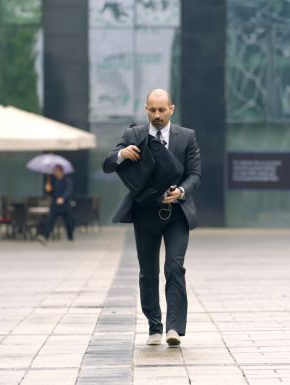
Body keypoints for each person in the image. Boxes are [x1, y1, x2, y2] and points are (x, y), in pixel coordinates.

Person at [102, 89, 201, 347]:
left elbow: (195, 175)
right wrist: (123, 154)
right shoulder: (132, 135)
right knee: (148, 272)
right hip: (145, 214)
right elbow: (108, 164)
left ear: (172, 109)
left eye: (162, 110)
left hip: (177, 214)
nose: (157, 115)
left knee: (174, 267)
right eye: (152, 110)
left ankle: (174, 329)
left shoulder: (187, 137)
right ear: (146, 109)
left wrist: (181, 191)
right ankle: (154, 327)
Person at [38, 165, 74, 243]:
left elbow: (69, 191)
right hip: (55, 206)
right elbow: (52, 194)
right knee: (50, 221)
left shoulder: (67, 180)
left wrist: (63, 198)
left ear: (60, 171)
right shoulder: (54, 181)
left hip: (65, 206)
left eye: (56, 171)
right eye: (54, 171)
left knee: (68, 223)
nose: (54, 172)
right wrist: (48, 190)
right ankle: (45, 236)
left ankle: (70, 237)